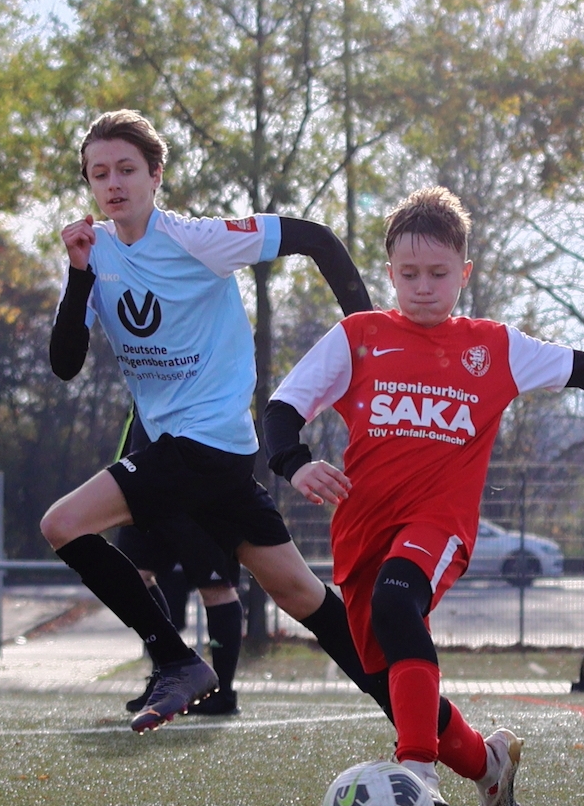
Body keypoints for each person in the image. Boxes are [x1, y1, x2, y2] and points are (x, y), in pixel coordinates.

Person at [264, 186, 584, 806]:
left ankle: (415, 772)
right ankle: (489, 766)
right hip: (361, 533)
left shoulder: (494, 347)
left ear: (465, 273)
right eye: (409, 274)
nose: (424, 287)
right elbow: (282, 409)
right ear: (390, 273)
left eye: (438, 273)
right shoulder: (358, 337)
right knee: (397, 684)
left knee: (397, 602)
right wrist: (294, 463)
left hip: (438, 524)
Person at [41, 109, 382, 734]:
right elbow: (65, 364)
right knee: (302, 595)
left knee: (61, 524)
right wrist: (78, 272)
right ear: (88, 183)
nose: (113, 183)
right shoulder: (95, 252)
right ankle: (437, 723)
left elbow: (318, 239)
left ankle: (176, 660)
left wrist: (371, 338)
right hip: (202, 457)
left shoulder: (198, 238)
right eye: (99, 173)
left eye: (126, 169)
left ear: (155, 175)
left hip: (206, 447)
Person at [113, 406, 245, 716]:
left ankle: (222, 691)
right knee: (132, 576)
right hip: (144, 482)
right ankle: (168, 674)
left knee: (216, 588)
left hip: (197, 486)